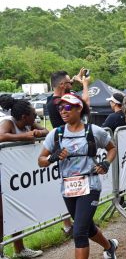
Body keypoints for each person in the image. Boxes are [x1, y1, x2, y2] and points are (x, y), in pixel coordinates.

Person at [38, 94, 118, 259]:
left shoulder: (94, 131)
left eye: (67, 108)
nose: (62, 111)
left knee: (79, 232)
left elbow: (112, 148)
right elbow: (40, 161)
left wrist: (105, 163)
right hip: (68, 187)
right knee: (86, 227)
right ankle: (109, 245)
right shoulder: (56, 133)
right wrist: (52, 157)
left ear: (78, 108)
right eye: (60, 108)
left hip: (90, 185)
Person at [0, 95, 46, 259]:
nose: (36, 117)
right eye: (34, 115)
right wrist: (25, 136)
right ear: (24, 116)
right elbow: (1, 136)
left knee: (15, 210)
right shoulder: (8, 122)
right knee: (2, 215)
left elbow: (46, 131)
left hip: (15, 174)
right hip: (3, 172)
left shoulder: (28, 123)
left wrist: (38, 132)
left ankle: (19, 248)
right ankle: (1, 254)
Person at [47, 69, 90, 237]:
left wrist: (73, 79)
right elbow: (84, 104)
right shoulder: (59, 102)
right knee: (76, 187)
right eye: (70, 84)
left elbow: (65, 88)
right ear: (62, 85)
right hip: (70, 150)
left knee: (74, 190)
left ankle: (78, 223)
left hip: (68, 147)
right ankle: (77, 224)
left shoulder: (53, 98)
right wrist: (85, 84)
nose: (72, 86)